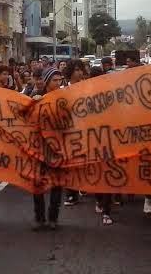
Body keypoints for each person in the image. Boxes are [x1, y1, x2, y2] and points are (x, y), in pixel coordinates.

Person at [30, 68, 64, 230]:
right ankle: (39, 218)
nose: (58, 83)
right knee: (37, 183)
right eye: (54, 80)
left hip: (58, 148)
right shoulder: (37, 97)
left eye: (60, 80)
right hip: (39, 147)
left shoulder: (65, 97)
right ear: (47, 82)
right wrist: (33, 103)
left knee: (56, 183)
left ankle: (53, 218)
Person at [63, 59, 85, 206]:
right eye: (76, 70)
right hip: (68, 131)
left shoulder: (89, 87)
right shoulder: (62, 89)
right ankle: (71, 193)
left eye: (81, 69)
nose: (80, 73)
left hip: (85, 130)